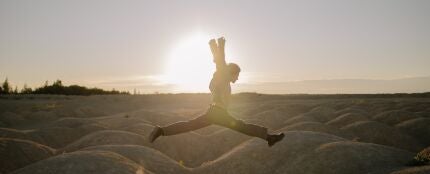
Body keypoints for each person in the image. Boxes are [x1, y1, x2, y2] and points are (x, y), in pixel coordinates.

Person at [149, 37, 284, 147]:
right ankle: (269, 137)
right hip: (218, 113)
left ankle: (161, 130)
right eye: (236, 75)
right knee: (242, 126)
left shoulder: (221, 79)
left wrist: (214, 46)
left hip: (215, 112)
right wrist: (220, 45)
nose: (237, 78)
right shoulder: (223, 78)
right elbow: (220, 63)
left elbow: (220, 64)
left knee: (189, 125)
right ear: (231, 73)